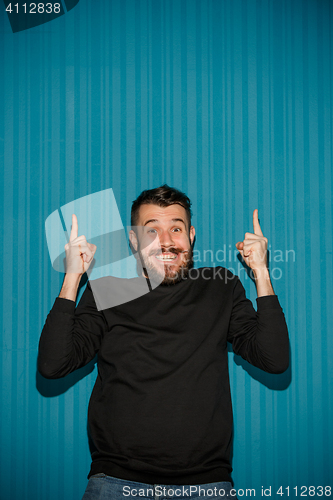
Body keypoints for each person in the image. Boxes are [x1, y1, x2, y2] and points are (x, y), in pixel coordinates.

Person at [38, 185, 289, 500]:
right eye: (151, 230)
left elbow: (274, 359)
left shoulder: (221, 286)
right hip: (116, 483)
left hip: (207, 485)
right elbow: (54, 365)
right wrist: (73, 276)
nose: (166, 241)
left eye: (176, 228)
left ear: (191, 235)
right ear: (133, 241)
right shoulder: (107, 290)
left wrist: (261, 271)